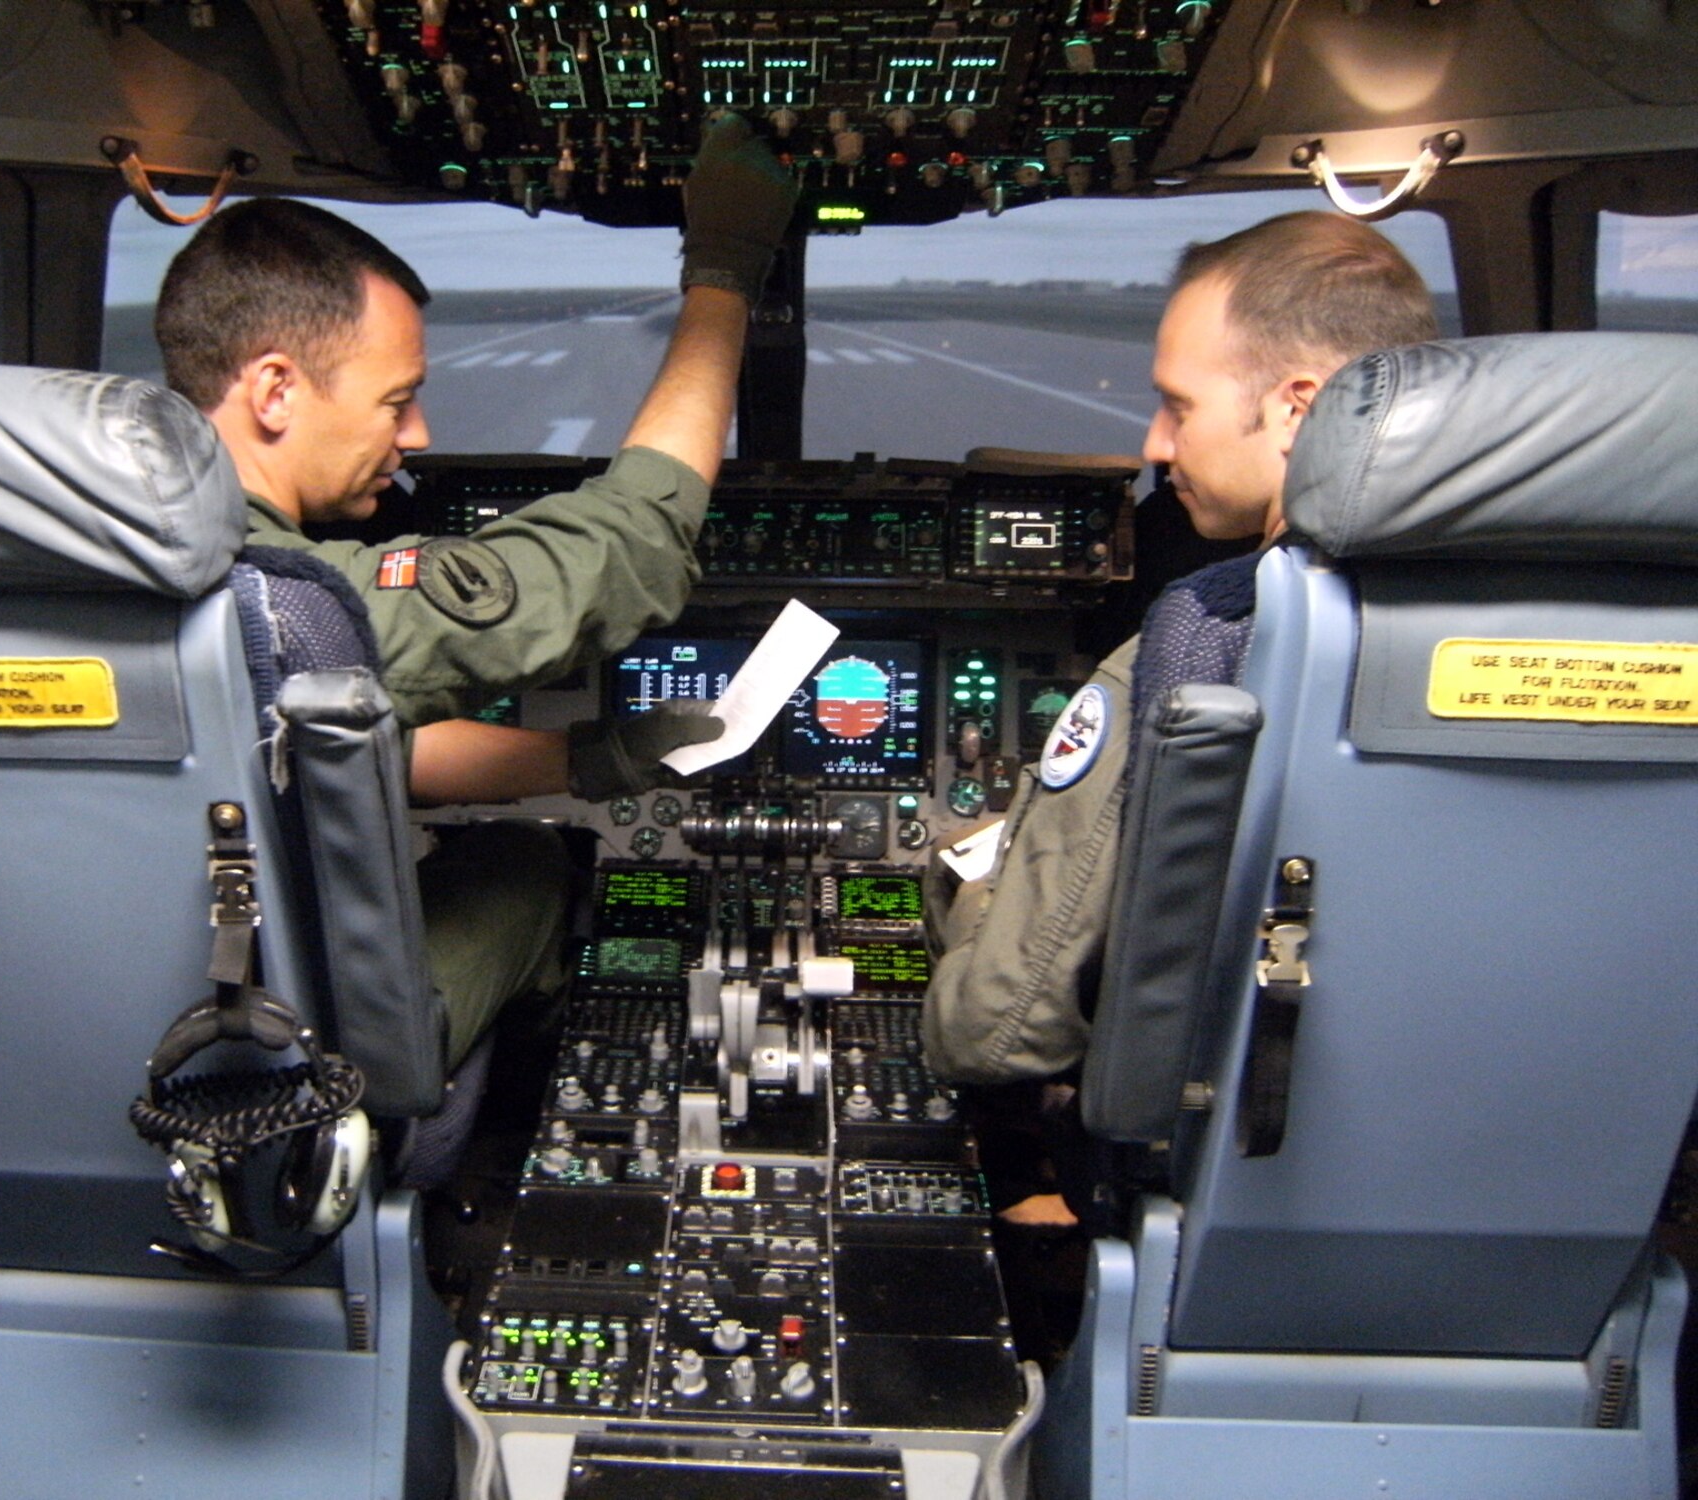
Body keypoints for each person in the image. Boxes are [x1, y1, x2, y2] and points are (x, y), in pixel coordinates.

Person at [154, 114, 797, 1078]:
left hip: (85, 1018)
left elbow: (344, 747)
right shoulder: (286, 606)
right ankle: (480, 1139)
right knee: (530, 863)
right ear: (276, 391)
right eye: (393, 398)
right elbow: (633, 544)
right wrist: (725, 268)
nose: (416, 435)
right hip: (280, 1053)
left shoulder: (81, 559)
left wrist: (599, 757)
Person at [921, 210, 1439, 1228]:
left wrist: (973, 887)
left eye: (1174, 405)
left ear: (1296, 409)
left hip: (1205, 1192)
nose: (1154, 445)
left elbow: (993, 1033)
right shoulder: (1653, 645)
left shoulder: (1199, 645)